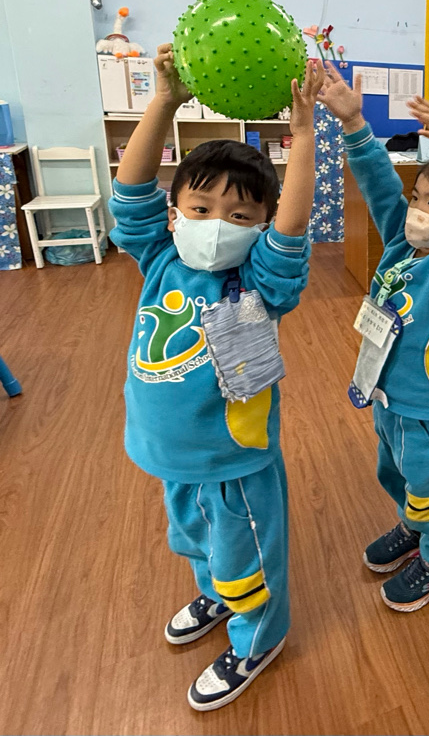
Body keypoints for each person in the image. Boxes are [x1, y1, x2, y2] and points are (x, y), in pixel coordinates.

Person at [109, 45, 323, 710]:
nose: (215, 226)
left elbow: (293, 226)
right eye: (200, 209)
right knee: (198, 540)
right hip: (169, 453)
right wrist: (164, 101)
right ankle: (218, 592)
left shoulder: (260, 280)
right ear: (175, 211)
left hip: (233, 458)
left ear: (260, 226)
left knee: (244, 553)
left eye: (240, 216)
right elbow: (130, 193)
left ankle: (259, 634)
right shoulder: (159, 258)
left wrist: (305, 135)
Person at [317, 66, 429, 611]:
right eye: (418, 198)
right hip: (386, 392)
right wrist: (354, 123)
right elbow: (378, 186)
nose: (419, 210)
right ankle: (415, 528)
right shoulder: (402, 246)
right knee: (394, 469)